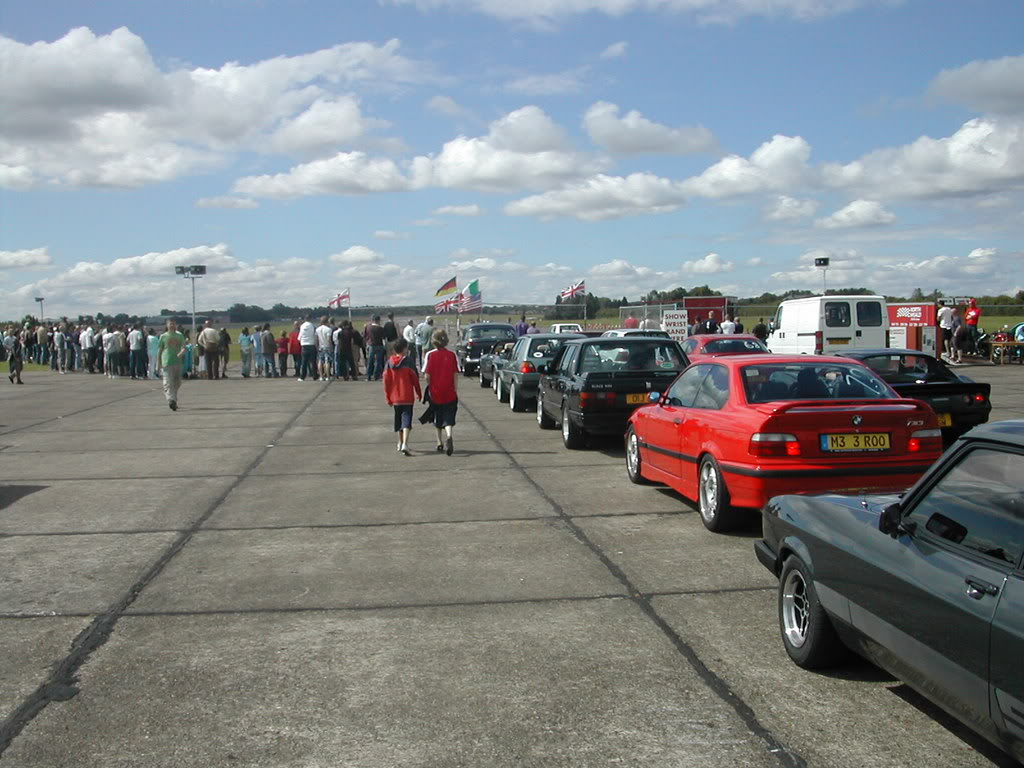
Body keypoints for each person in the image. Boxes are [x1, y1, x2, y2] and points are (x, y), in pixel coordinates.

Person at [423, 328, 460, 456]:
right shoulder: (451, 355)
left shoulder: (431, 355)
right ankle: (449, 435)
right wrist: (455, 388)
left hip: (436, 392)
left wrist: (430, 386)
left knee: (437, 417)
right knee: (448, 417)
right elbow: (455, 374)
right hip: (449, 391)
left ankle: (439, 442)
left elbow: (427, 375)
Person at [383, 338, 422, 456]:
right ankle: (405, 443)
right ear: (404, 349)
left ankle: (400, 442)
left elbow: (386, 381)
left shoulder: (389, 363)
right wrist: (418, 392)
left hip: (395, 398)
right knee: (406, 420)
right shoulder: (409, 361)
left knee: (398, 420)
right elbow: (415, 379)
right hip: (407, 397)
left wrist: (387, 397)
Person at [157, 319, 186, 410]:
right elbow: (160, 350)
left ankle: (173, 399)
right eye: (170, 324)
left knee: (177, 382)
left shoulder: (179, 335)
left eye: (174, 324)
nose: (172, 326)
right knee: (168, 382)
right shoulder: (163, 336)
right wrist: (159, 363)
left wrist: (181, 352)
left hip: (177, 362)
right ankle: (171, 400)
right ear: (167, 325)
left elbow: (183, 347)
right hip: (167, 361)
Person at [364, 314, 386, 381]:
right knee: (378, 361)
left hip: (371, 345)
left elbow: (365, 336)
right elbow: (384, 337)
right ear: (378, 320)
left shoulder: (368, 327)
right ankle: (376, 375)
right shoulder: (381, 328)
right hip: (379, 345)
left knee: (370, 361)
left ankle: (368, 376)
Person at [297, 315, 317, 381]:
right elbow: (315, 335)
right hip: (311, 345)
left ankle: (302, 376)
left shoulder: (302, 326)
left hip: (304, 346)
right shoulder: (313, 326)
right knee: (313, 362)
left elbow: (299, 337)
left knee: (304, 362)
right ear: (310, 319)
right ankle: (315, 376)